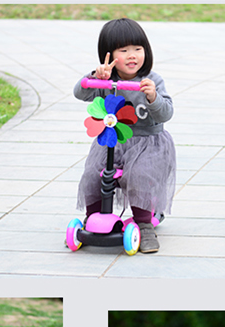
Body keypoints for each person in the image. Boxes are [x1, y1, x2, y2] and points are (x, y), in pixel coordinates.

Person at [74, 17, 175, 254]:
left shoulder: (152, 80)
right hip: (112, 141)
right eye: (124, 50)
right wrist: (96, 76)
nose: (132, 56)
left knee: (140, 176)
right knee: (93, 174)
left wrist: (153, 98)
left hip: (148, 143)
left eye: (137, 49)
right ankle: (93, 219)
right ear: (109, 55)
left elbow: (166, 113)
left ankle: (144, 225)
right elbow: (80, 92)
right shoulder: (105, 81)